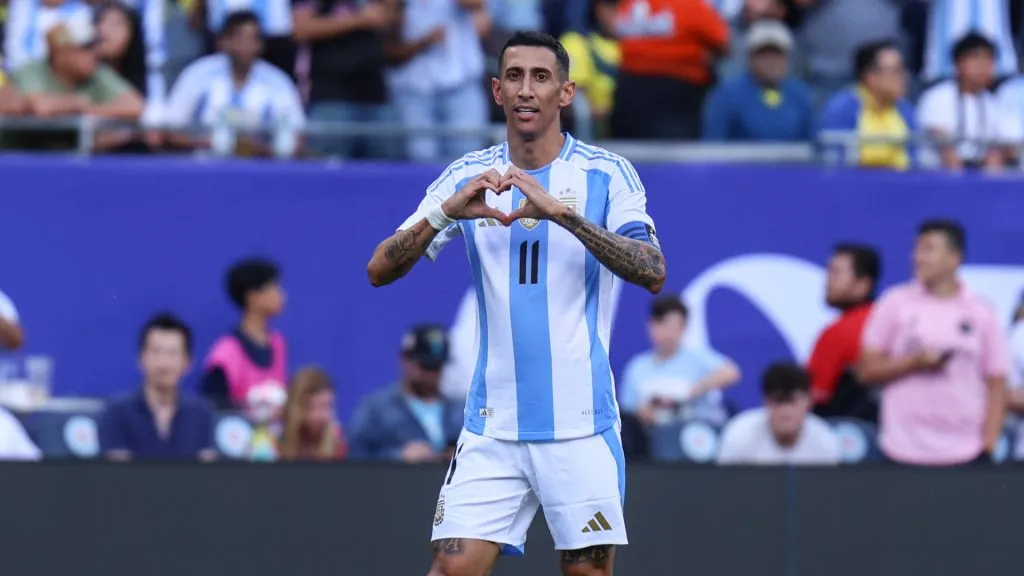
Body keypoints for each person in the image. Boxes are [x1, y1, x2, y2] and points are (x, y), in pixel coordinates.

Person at [365, 30, 666, 576]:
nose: (527, 89)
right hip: (492, 425)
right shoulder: (467, 176)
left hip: (581, 424)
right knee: (450, 569)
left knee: (587, 573)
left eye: (541, 77)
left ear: (566, 93)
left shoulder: (605, 174)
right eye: (514, 77)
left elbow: (652, 270)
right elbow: (379, 269)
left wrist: (565, 215)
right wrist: (443, 215)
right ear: (497, 91)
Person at [857, 219, 1010, 466]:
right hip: (901, 450)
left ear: (954, 258)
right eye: (916, 249)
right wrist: (914, 362)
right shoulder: (894, 304)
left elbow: (997, 383)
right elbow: (866, 371)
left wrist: (988, 446)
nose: (918, 257)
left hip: (966, 451)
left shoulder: (981, 312)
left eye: (928, 249)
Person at [99, 314, 217, 461]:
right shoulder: (116, 412)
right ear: (141, 358)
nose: (163, 363)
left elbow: (207, 475)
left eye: (172, 354)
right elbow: (115, 475)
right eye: (156, 352)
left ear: (187, 362)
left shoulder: (201, 413)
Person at [619, 296, 740, 428]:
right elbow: (628, 410)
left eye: (676, 326)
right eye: (665, 325)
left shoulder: (698, 358)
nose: (670, 333)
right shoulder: (637, 367)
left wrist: (697, 389)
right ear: (652, 325)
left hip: (695, 435)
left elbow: (731, 373)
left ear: (684, 327)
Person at [348, 325, 463, 462]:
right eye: (426, 366)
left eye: (437, 367)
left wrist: (460, 456)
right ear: (405, 361)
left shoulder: (461, 411)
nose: (432, 375)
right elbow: (355, 456)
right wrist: (398, 456)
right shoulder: (376, 410)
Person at [200, 258, 288, 411]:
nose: (281, 294)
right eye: (273, 287)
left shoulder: (278, 344)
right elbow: (212, 408)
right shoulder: (225, 353)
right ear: (253, 297)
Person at [807, 243, 881, 420]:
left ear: (863, 284)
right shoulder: (891, 322)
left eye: (836, 273)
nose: (827, 281)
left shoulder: (838, 333)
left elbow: (813, 396)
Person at [717, 362, 841, 466]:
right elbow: (726, 488)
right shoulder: (739, 436)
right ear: (765, 401)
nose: (785, 412)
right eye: (778, 401)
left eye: (793, 401)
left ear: (808, 402)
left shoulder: (824, 441)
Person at [278, 366, 347, 461]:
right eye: (312, 407)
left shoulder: (339, 450)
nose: (322, 416)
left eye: (328, 407)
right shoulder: (273, 448)